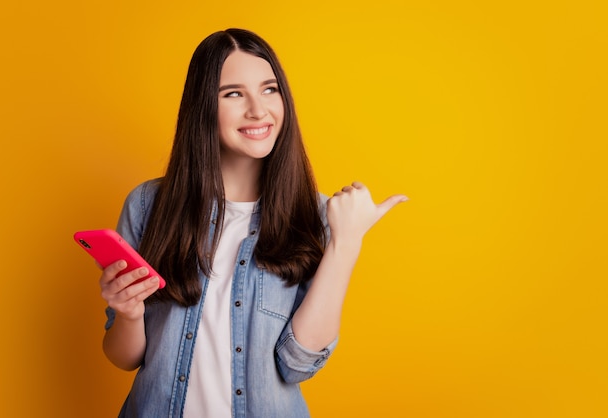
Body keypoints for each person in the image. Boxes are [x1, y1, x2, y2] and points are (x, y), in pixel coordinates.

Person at [98, 28, 408, 418]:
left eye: (269, 89)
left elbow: (298, 364)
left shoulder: (317, 216)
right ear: (202, 107)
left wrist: (345, 243)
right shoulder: (148, 205)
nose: (258, 110)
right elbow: (123, 357)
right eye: (233, 93)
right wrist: (128, 312)